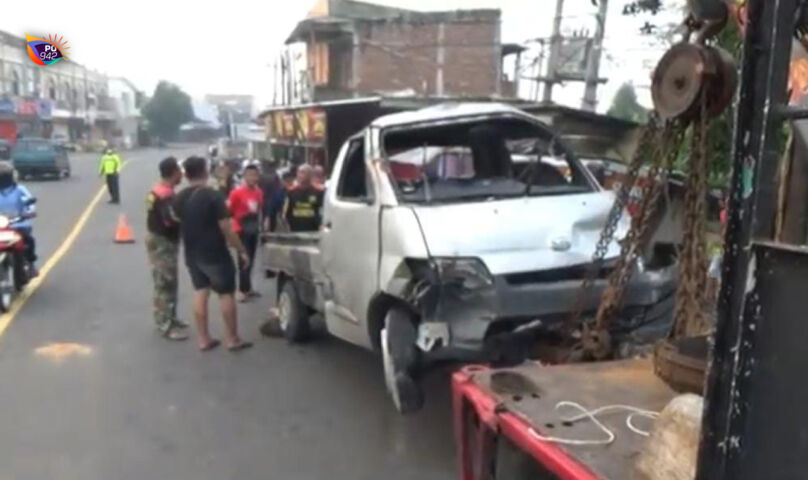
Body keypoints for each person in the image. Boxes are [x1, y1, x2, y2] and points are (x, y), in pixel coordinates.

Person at [173, 156, 252, 352]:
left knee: (201, 291)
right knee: (226, 294)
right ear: (204, 172)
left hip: (192, 252)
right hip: (215, 252)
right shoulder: (213, 196)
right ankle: (232, 339)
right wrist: (241, 250)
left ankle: (204, 339)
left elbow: (175, 219)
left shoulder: (180, 197)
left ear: (186, 174)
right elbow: (226, 227)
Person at [145, 157, 188, 341]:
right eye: (179, 170)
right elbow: (170, 220)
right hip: (162, 242)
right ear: (173, 172)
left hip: (158, 239)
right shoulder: (165, 195)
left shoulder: (157, 190)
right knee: (165, 283)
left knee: (169, 281)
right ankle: (166, 325)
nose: (182, 174)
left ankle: (171, 317)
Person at [228, 162, 264, 302]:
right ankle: (241, 290)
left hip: (253, 229)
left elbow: (259, 209)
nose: (253, 178)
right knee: (243, 260)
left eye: (255, 175)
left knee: (252, 258)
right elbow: (229, 211)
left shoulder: (258, 192)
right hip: (241, 229)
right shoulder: (236, 193)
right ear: (244, 176)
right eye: (250, 175)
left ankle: (248, 288)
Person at [0, 162, 37, 276]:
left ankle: (30, 265)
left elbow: (29, 201)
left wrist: (29, 212)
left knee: (29, 241)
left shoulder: (20, 189)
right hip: (2, 226)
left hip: (19, 224)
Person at [282, 164, 324, 232]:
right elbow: (285, 213)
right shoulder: (291, 192)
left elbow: (323, 211)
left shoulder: (319, 192)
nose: (300, 175)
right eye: (298, 172)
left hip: (313, 231)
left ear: (310, 175)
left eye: (303, 172)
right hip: (295, 231)